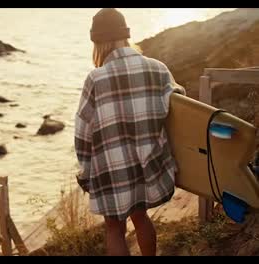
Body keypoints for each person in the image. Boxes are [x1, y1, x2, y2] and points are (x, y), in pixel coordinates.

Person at [74, 8, 185, 256]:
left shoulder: (96, 78)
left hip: (112, 170)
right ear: (126, 36)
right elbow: (180, 108)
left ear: (98, 43)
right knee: (141, 216)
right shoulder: (158, 69)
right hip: (149, 165)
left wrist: (86, 170)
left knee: (114, 228)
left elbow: (82, 132)